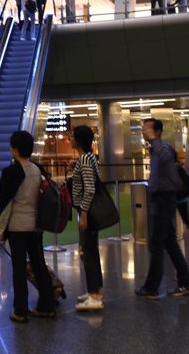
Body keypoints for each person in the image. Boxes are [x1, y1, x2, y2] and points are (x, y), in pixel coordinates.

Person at [0, 130, 57, 320]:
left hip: (17, 227)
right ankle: (47, 305)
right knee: (39, 265)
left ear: (14, 149)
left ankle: (20, 310)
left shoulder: (10, 172)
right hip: (36, 225)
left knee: (19, 268)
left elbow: (3, 200)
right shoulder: (38, 169)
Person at [134, 119, 189, 299]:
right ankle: (185, 283)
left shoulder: (163, 148)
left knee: (156, 244)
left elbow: (169, 157)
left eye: (147, 128)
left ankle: (152, 288)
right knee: (169, 243)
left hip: (163, 199)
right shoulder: (156, 150)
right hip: (161, 199)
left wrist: (155, 141)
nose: (144, 130)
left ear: (157, 131)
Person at [70, 125, 104, 312]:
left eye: (72, 136)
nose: (70, 138)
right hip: (90, 210)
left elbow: (89, 188)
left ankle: (94, 296)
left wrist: (83, 215)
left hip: (88, 212)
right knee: (92, 252)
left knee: (88, 253)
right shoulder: (89, 157)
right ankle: (96, 291)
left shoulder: (84, 159)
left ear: (79, 139)